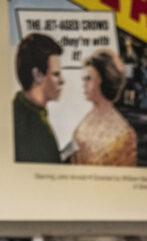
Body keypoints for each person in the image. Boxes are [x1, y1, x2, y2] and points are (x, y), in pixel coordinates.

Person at [71, 49, 137, 166]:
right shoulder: (86, 120)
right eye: (83, 79)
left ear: (102, 81)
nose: (83, 84)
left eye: (88, 79)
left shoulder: (123, 132)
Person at [13, 33, 64, 163]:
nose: (62, 80)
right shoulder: (37, 130)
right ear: (37, 75)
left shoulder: (17, 107)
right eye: (56, 74)